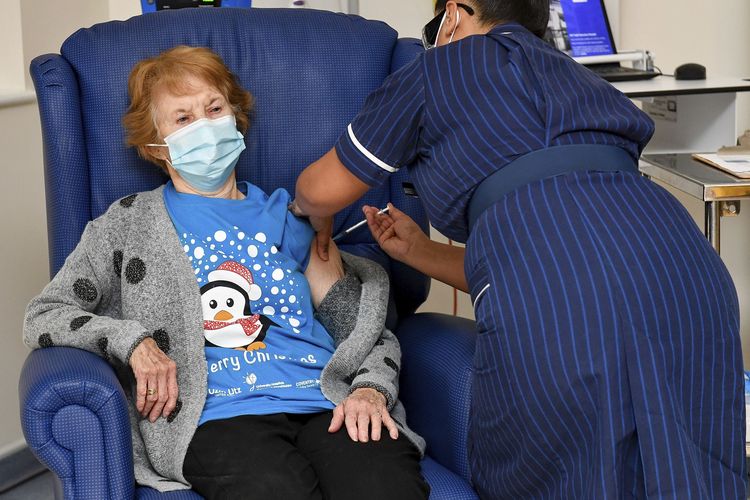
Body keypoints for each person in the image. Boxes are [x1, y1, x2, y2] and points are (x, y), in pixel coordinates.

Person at [292, 1, 746, 498]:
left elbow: (321, 191)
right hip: (683, 266)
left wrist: (301, 211)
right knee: (693, 469)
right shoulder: (580, 77)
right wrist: (420, 252)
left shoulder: (436, 69)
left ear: (454, 15)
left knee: (561, 474)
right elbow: (570, 250)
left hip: (559, 292)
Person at [24, 46, 429, 500]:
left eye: (214, 108)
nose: (204, 126)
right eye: (182, 118)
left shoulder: (290, 218)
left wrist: (371, 389)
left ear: (235, 116)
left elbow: (362, 331)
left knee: (386, 487)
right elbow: (45, 314)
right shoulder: (127, 225)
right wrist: (132, 342)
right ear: (154, 146)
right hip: (217, 415)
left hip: (324, 400)